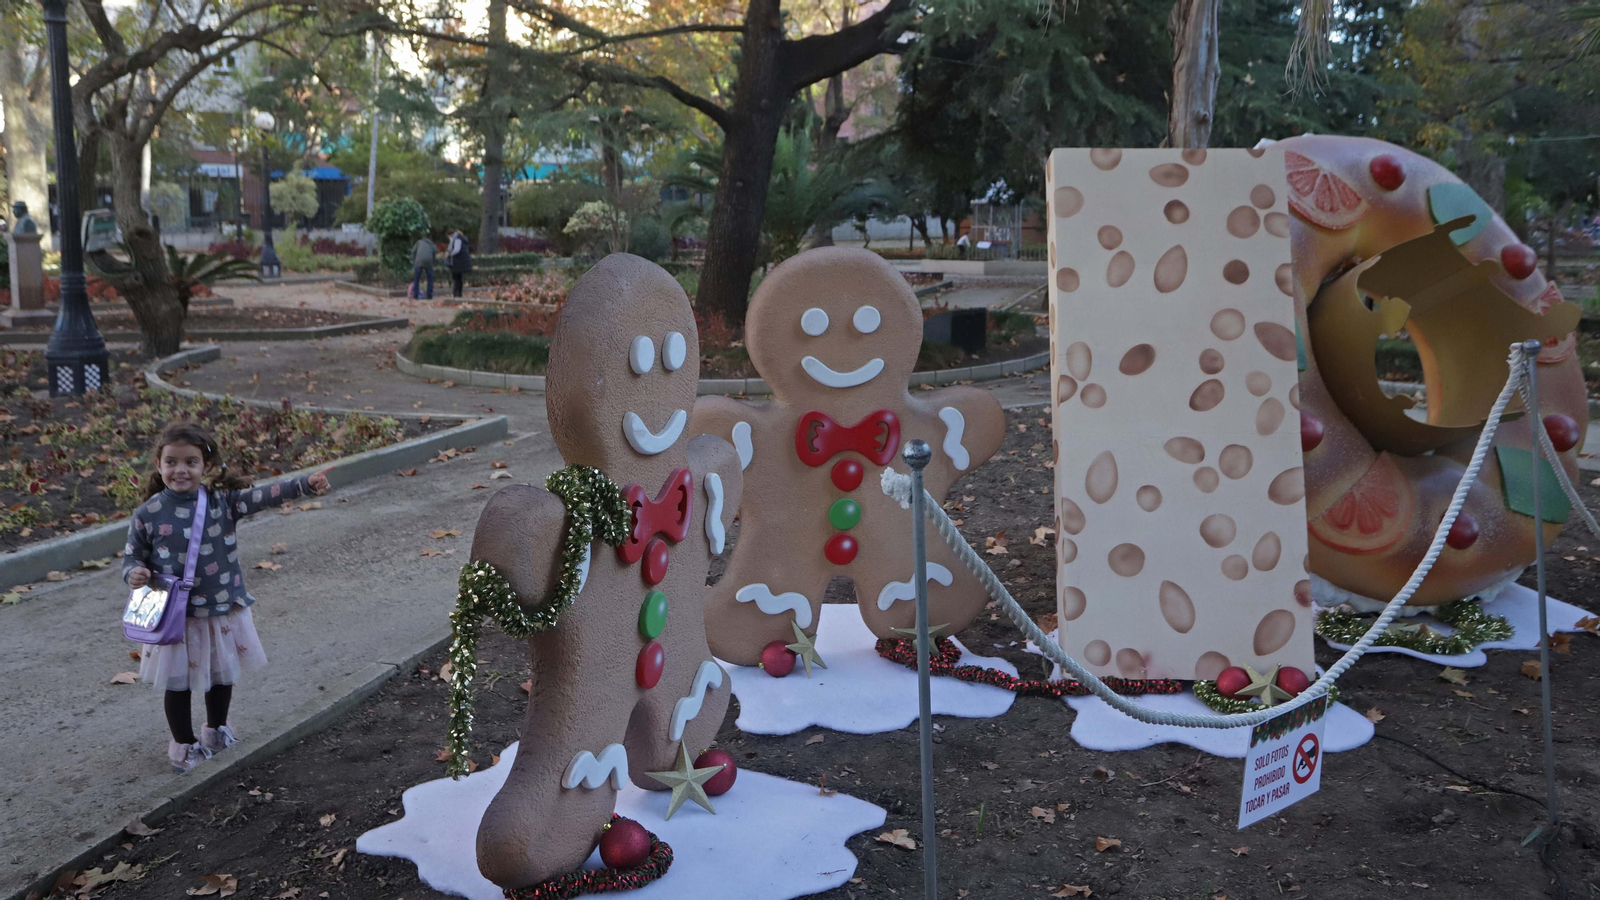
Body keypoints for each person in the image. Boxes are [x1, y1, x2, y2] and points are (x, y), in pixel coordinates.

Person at [122, 422, 332, 773]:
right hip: (177, 617)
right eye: (171, 462)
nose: (180, 470)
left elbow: (265, 495)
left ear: (205, 466)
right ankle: (184, 745)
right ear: (158, 465)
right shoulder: (148, 513)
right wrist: (134, 573)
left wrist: (304, 484)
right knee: (179, 684)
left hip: (220, 609)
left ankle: (217, 730)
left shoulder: (222, 502)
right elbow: (132, 557)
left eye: (190, 462)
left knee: (221, 675)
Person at [446, 229, 473, 298]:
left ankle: (456, 293)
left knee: (456, 278)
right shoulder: (459, 239)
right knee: (458, 278)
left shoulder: (457, 239)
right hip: (460, 261)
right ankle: (458, 293)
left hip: (458, 262)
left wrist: (449, 254)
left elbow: (456, 250)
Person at [411, 235, 437, 300]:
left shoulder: (419, 242)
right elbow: (435, 253)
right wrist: (433, 262)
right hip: (429, 262)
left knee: (417, 278)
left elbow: (413, 251)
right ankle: (429, 295)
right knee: (430, 279)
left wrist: (414, 261)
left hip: (419, 261)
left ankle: (416, 294)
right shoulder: (432, 244)